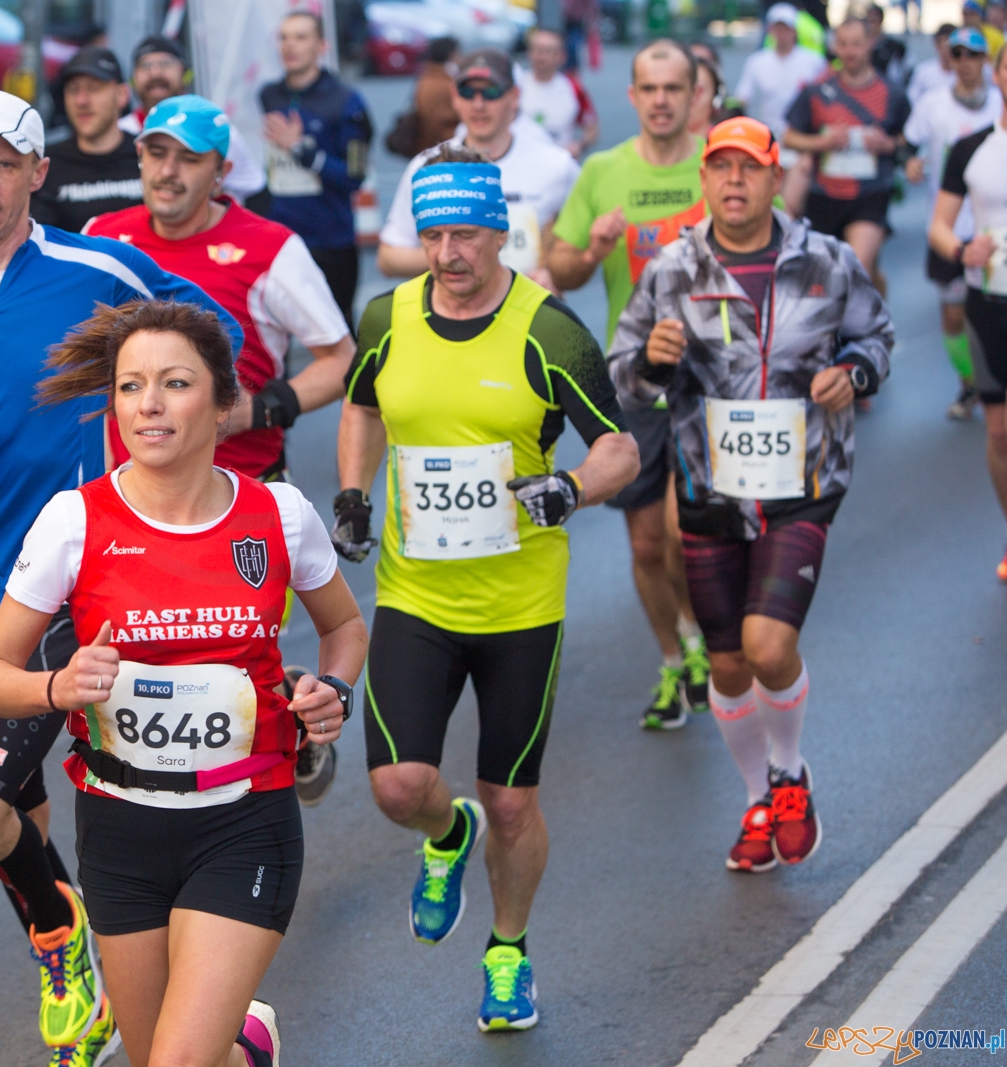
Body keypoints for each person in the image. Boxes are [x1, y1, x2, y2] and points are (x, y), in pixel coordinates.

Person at [0, 89, 241, 1063]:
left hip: (77, 581)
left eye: (4, 164)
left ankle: (85, 949)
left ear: (37, 175)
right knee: (8, 822)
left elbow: (206, 337)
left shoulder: (91, 270)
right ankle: (67, 935)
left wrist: (149, 413)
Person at [0, 298, 367, 1067]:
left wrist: (334, 689)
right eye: (129, 386)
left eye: (175, 383)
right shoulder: (73, 522)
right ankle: (245, 1048)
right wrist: (58, 687)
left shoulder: (276, 514)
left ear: (224, 404)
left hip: (245, 818)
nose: (147, 404)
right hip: (119, 828)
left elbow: (345, 628)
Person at [335, 148, 638, 1033]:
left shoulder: (551, 330)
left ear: (499, 229)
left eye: (463, 233)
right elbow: (362, 403)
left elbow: (619, 444)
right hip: (417, 596)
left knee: (511, 799)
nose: (445, 253)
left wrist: (572, 488)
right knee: (398, 786)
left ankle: (507, 950)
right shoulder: (388, 316)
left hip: (520, 606)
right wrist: (355, 491)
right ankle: (444, 833)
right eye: (431, 234)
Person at [609, 116, 892, 872]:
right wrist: (652, 357)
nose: (734, 181)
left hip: (803, 483)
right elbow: (622, 373)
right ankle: (759, 795)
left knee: (770, 646)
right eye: (720, 168)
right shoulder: (671, 269)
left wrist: (854, 372)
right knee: (728, 666)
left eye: (750, 168)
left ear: (775, 178)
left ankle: (790, 768)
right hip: (709, 488)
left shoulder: (826, 262)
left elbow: (877, 335)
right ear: (703, 181)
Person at [85, 94, 356, 805]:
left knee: (225, 653)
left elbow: (339, 356)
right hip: (132, 500)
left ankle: (270, 747)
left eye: (188, 159)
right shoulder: (103, 236)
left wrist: (253, 411)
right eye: (155, 152)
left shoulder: (270, 248)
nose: (167, 171)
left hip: (243, 494)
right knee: (165, 662)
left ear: (222, 171)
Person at [549, 39, 712, 730]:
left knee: (682, 533)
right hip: (636, 372)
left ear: (695, 91)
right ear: (633, 95)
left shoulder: (719, 162)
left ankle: (707, 638)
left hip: (712, 372)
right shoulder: (604, 171)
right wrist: (591, 249)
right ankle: (676, 656)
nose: (662, 99)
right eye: (650, 88)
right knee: (647, 543)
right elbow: (561, 266)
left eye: (675, 87)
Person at [378, 48, 579, 296]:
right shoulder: (427, 167)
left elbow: (581, 255)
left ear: (514, 97)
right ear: (454, 96)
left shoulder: (556, 165)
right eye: (468, 92)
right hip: (455, 319)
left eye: (491, 92)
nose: (478, 104)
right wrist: (455, 252)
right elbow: (388, 257)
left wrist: (554, 270)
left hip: (530, 316)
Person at [929, 43, 1007, 580]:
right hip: (989, 302)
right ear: (999, 75)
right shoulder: (972, 148)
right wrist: (961, 250)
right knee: (1000, 431)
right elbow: (938, 225)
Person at [906, 28, 1000, 421]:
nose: (964, 62)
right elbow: (910, 142)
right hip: (948, 226)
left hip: (992, 234)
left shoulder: (999, 103)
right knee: (953, 316)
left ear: (986, 63)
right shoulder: (933, 104)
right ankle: (969, 384)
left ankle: (990, 385)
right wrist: (911, 161)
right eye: (957, 54)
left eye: (973, 55)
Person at [259, 11, 373, 327]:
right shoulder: (269, 95)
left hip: (330, 241)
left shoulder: (347, 101)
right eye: (284, 37)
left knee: (338, 330)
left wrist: (301, 150)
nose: (289, 46)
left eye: (300, 37)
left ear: (321, 46)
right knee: (273, 333)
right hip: (279, 239)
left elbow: (355, 177)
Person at [786, 18, 911, 292]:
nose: (850, 51)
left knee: (855, 269)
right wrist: (823, 142)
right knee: (824, 277)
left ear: (870, 44)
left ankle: (870, 330)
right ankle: (869, 306)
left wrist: (886, 144)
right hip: (824, 195)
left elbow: (908, 141)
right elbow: (789, 137)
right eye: (843, 44)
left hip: (870, 194)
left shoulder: (892, 93)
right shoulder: (818, 90)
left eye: (856, 44)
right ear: (835, 46)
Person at [119, 35, 269, 211]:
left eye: (166, 63)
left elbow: (256, 192)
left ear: (186, 73)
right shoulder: (118, 133)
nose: (155, 73)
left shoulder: (214, 129)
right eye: (145, 65)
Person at [31, 46, 142, 233]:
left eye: (94, 88)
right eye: (73, 90)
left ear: (122, 95)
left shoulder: (148, 156)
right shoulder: (46, 165)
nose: (81, 101)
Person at [736, 5, 828, 156]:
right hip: (767, 138)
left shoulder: (814, 61)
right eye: (777, 28)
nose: (782, 34)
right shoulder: (757, 62)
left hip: (803, 138)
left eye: (786, 28)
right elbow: (743, 98)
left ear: (794, 31)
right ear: (770, 30)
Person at [516, 27, 600, 159]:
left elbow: (592, 128)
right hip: (523, 163)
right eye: (536, 49)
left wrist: (579, 145)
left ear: (561, 56)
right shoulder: (516, 86)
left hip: (560, 167)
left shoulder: (573, 87)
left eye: (547, 51)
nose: (541, 56)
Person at [909, 24, 962, 101]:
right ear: (937, 45)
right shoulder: (923, 71)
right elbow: (913, 99)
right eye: (945, 45)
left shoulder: (966, 72)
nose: (948, 49)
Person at [867, 5, 910, 84]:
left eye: (874, 21)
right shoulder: (859, 48)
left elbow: (907, 68)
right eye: (868, 21)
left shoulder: (895, 46)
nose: (871, 26)